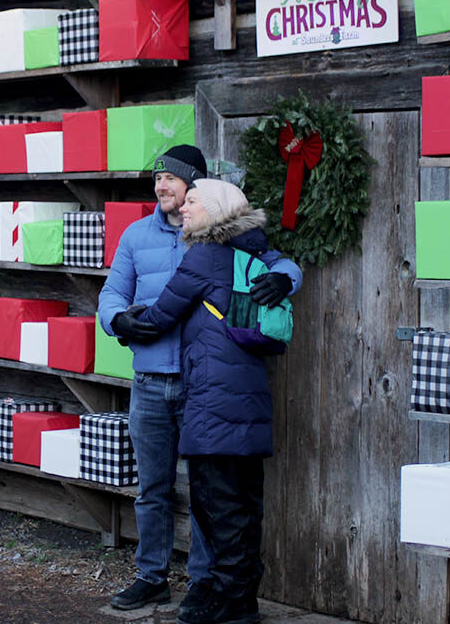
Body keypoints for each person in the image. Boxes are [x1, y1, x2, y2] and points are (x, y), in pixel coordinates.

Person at [99, 145, 300, 614]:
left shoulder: (220, 243)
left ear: (197, 188)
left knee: (210, 494)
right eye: (157, 180)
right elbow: (112, 293)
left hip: (200, 386)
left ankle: (205, 583)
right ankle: (151, 576)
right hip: (151, 379)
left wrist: (285, 280)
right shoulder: (135, 236)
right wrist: (117, 322)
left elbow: (281, 263)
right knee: (153, 488)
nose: (162, 187)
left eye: (171, 180)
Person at [133, 178, 286, 624]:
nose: (185, 207)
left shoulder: (203, 256)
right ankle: (238, 596)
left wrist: (124, 321)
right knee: (242, 504)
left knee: (216, 505)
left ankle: (232, 603)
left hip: (214, 402)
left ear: (216, 211)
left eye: (194, 201)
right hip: (247, 401)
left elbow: (161, 315)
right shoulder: (251, 254)